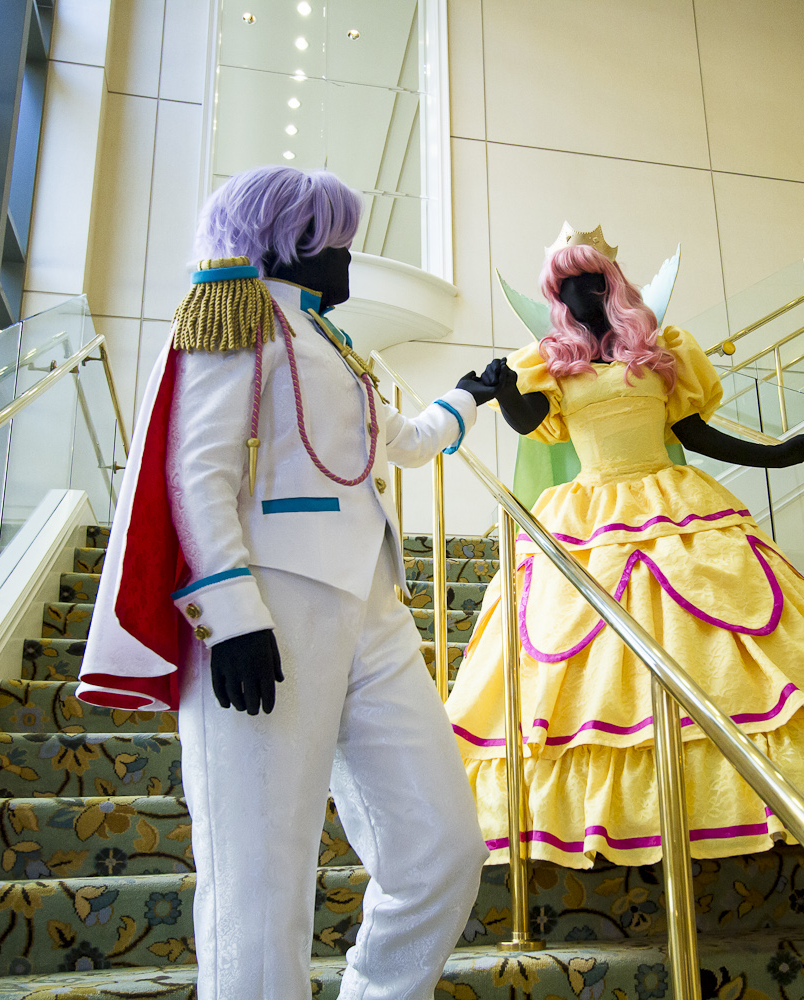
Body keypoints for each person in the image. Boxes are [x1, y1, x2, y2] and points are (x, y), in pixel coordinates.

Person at [77, 166, 496, 1000]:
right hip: (270, 606)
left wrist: (470, 396)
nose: (348, 259)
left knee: (443, 848)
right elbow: (196, 470)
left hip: (373, 609)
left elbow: (402, 442)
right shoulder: (233, 310)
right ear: (294, 243)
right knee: (259, 884)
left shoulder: (332, 342)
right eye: (337, 242)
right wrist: (231, 614)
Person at [445, 223, 804, 869]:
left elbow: (695, 432)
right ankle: (610, 811)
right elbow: (536, 425)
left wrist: (777, 455)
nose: (578, 293)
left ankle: (746, 795)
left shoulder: (663, 350)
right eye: (565, 285)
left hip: (674, 502)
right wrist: (503, 389)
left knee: (726, 631)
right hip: (589, 511)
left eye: (589, 280)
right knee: (578, 643)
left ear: (611, 284)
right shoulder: (548, 362)